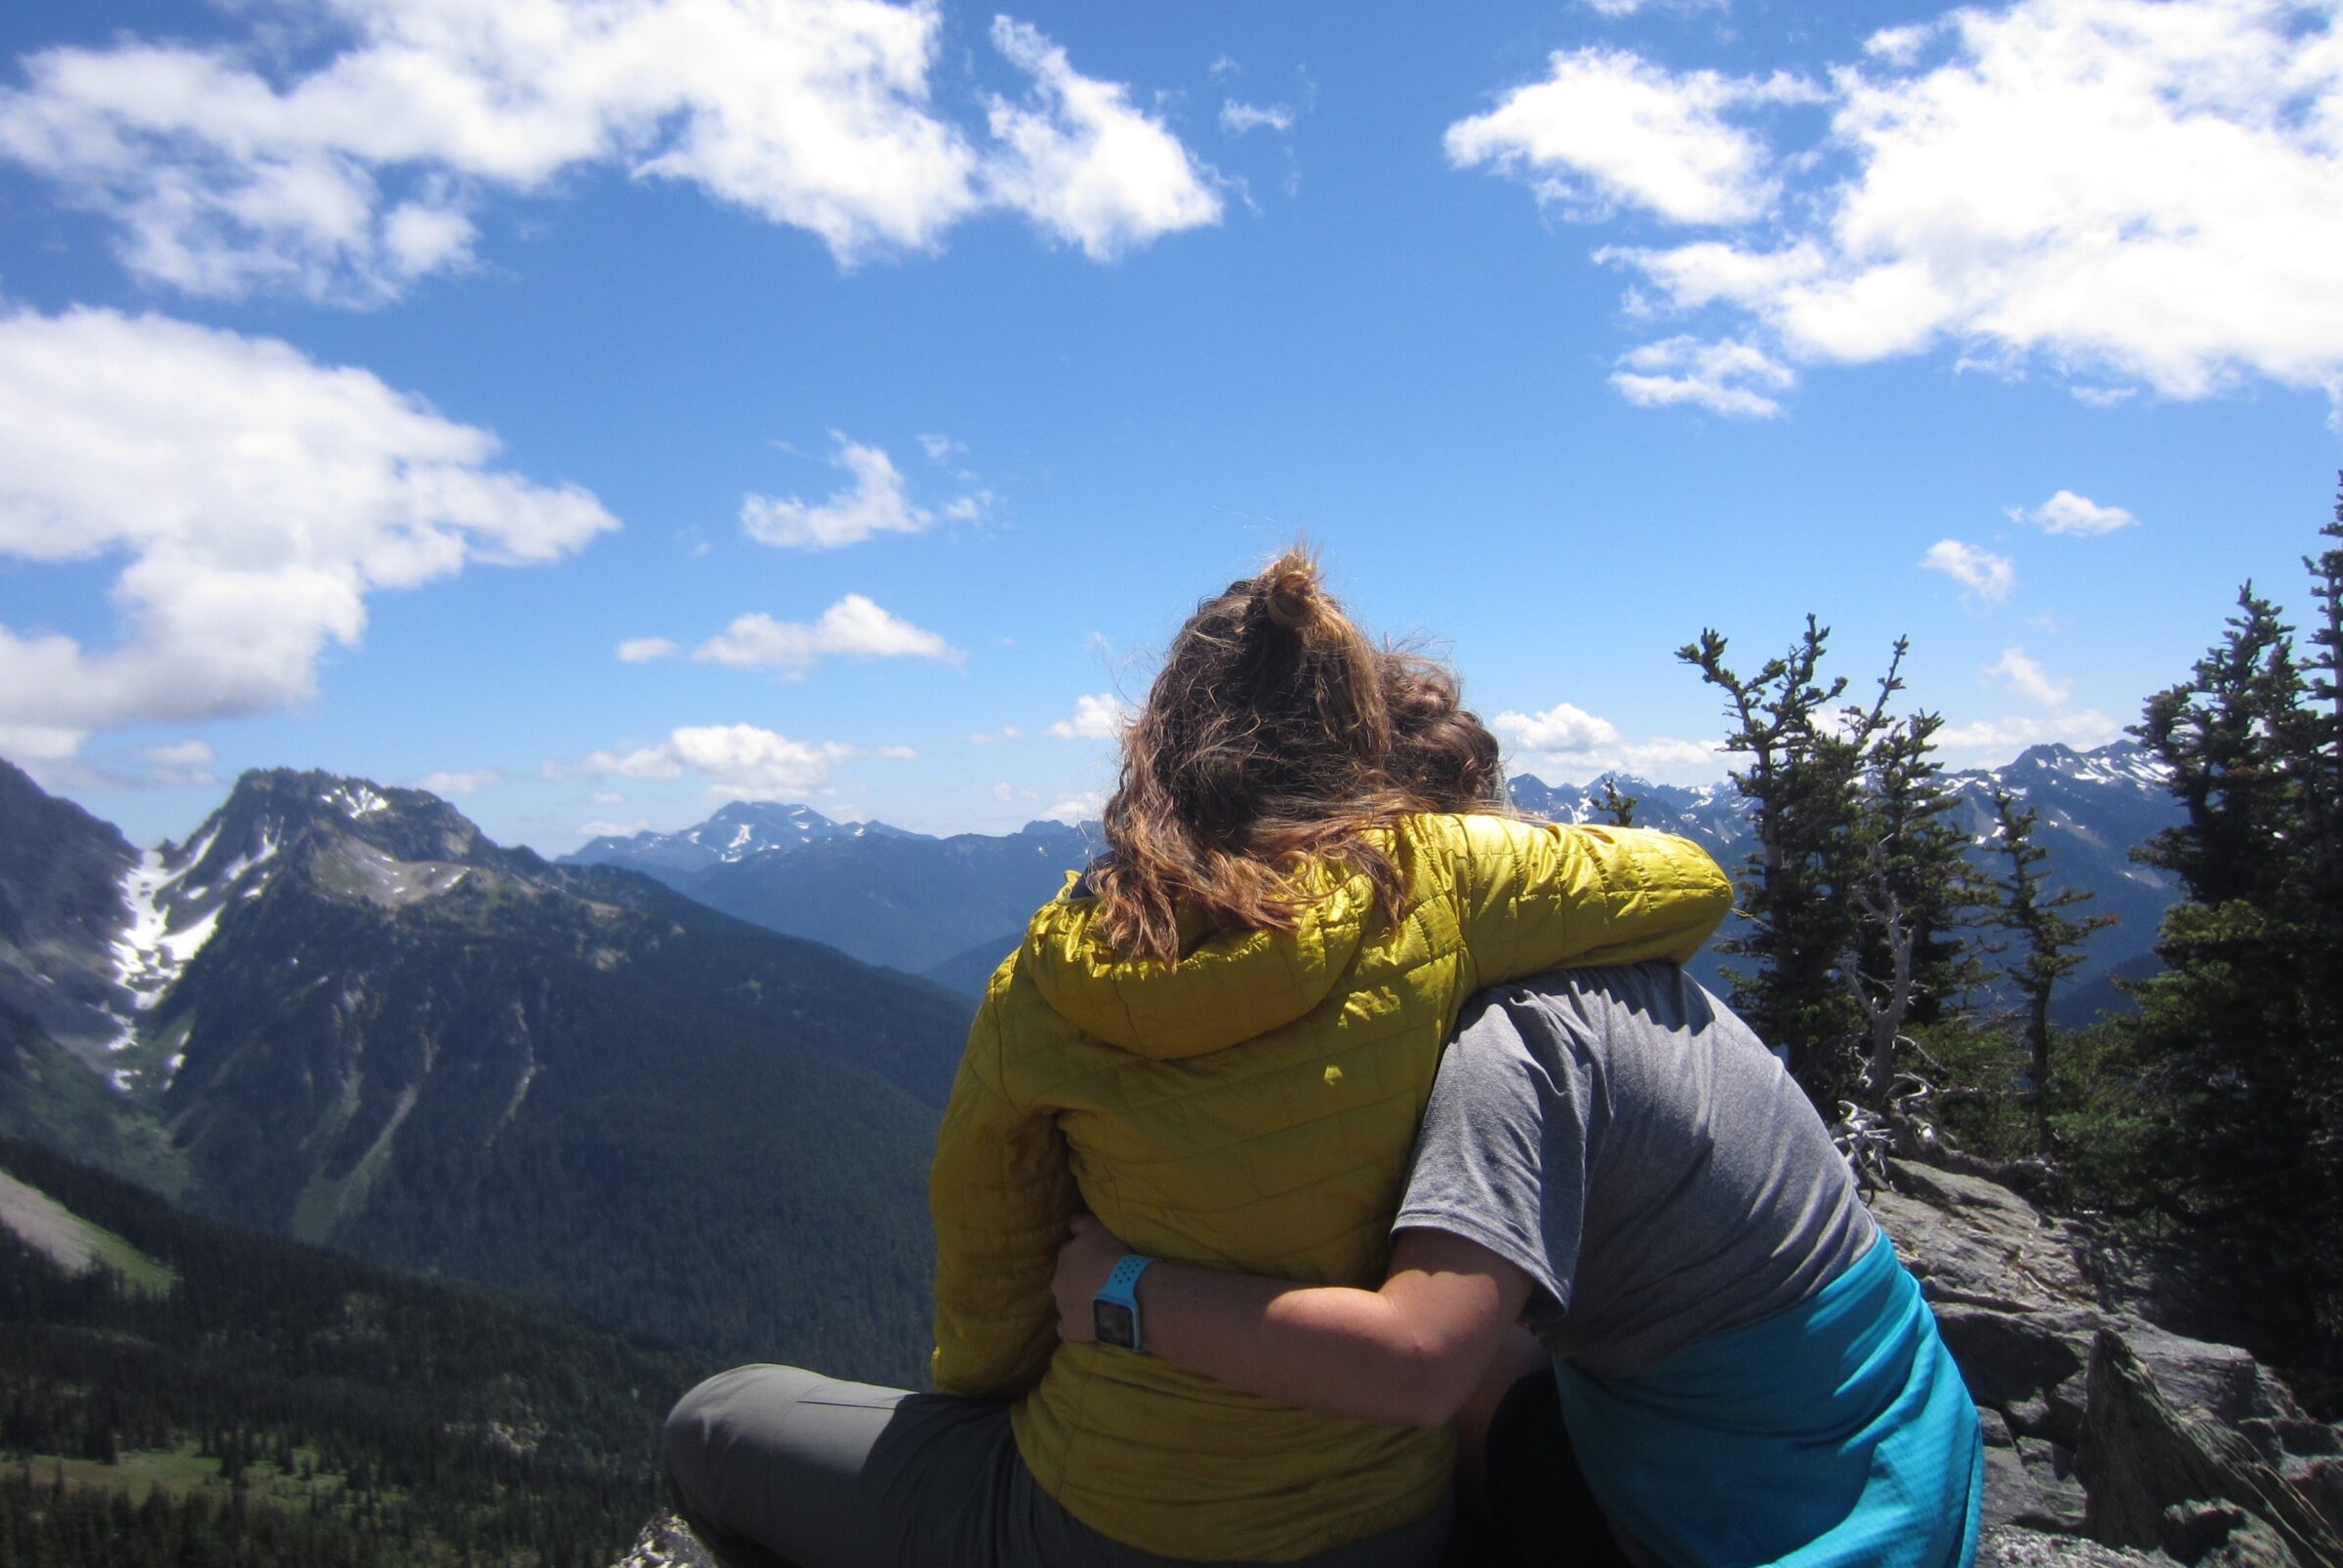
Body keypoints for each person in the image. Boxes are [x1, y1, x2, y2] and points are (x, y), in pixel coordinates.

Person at [662, 551, 1733, 1568]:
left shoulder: (1050, 973)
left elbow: (988, 1315)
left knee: (710, 1422)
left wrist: (1014, 1397)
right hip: (1386, 1523)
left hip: (1101, 1522)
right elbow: (1691, 884)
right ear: (1356, 733)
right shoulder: (1441, 877)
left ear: (1159, 738)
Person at [1046, 854, 1984, 1563]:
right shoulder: (1623, 966)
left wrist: (1124, 1290)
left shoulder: (1512, 1047)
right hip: (1911, 1433)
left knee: (1388, 1397)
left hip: (1786, 1520)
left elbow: (1417, 1365)